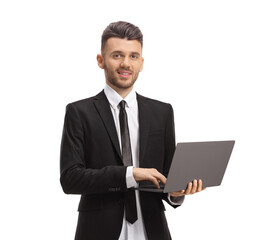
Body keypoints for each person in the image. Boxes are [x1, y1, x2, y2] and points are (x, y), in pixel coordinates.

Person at [60, 21, 205, 240]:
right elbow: (70, 178)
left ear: (142, 62)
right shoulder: (79, 112)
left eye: (133, 56)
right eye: (117, 55)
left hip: (152, 230)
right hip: (98, 231)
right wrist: (130, 173)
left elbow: (166, 177)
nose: (126, 63)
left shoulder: (162, 112)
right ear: (101, 60)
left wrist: (176, 193)